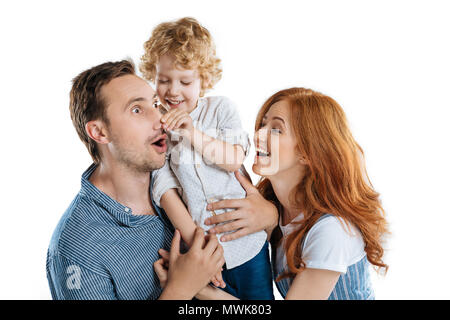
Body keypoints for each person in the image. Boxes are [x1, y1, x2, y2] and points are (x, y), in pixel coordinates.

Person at [156, 87, 389, 300]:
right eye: (263, 125)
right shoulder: (276, 209)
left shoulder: (332, 231)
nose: (258, 135)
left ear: (308, 153)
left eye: (276, 130)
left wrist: (192, 288)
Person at [46, 59, 225, 300]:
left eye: (155, 104)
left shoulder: (183, 171)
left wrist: (268, 216)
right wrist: (180, 290)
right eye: (137, 110)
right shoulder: (77, 249)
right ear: (99, 132)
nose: (162, 119)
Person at [140, 17, 273, 299]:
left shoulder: (221, 109)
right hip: (205, 252)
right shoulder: (158, 126)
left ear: (205, 79)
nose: (173, 90)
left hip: (247, 245)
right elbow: (165, 191)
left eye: (185, 81)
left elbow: (233, 158)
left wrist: (192, 133)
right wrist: (198, 246)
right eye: (163, 80)